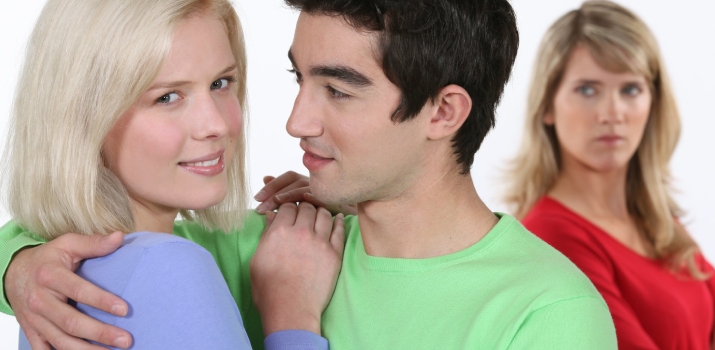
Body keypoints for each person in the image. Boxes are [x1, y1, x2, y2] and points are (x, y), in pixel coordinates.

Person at [1, 0, 618, 349]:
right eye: (300, 80)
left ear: (443, 111)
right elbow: (94, 246)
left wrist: (291, 321)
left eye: (339, 91)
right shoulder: (262, 247)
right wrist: (21, 266)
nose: (296, 122)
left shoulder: (548, 314)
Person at [0, 0, 343, 349]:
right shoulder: (166, 266)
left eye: (221, 83)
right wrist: (292, 321)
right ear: (85, 121)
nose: (217, 124)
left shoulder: (54, 277)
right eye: (167, 97)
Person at [504, 1, 715, 349]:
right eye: (588, 89)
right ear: (547, 104)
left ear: (654, 102)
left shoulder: (659, 223)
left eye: (630, 89)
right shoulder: (553, 236)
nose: (612, 113)